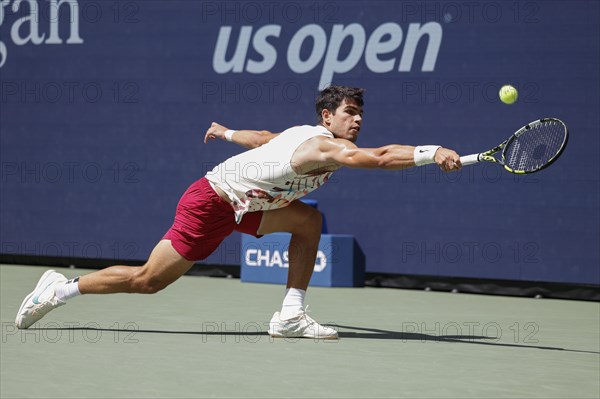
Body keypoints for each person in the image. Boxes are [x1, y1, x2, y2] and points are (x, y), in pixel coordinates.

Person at [15, 85, 461, 339]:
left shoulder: (301, 132)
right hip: (212, 202)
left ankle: (289, 315)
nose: (357, 120)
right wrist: (432, 150)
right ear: (328, 117)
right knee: (148, 281)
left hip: (244, 205)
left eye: (360, 113)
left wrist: (226, 132)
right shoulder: (325, 145)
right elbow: (380, 157)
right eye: (349, 113)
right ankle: (59, 289)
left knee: (308, 221)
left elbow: (264, 136)